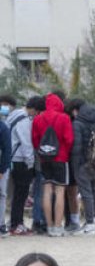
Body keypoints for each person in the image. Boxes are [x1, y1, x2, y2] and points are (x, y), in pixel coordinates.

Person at [30, 93, 74, 237]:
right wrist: (64, 152)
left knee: (47, 191)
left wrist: (42, 152)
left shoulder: (37, 119)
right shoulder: (64, 118)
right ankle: (57, 227)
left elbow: (35, 140)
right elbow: (69, 139)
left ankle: (48, 226)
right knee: (60, 191)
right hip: (61, 158)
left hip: (44, 159)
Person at [66, 98, 95, 235]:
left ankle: (89, 224)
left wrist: (75, 165)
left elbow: (76, 147)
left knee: (86, 194)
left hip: (82, 163)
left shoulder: (77, 124)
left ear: (75, 110)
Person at [4, 96, 36, 235]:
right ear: (33, 109)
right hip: (20, 160)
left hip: (13, 159)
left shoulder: (14, 115)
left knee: (16, 194)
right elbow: (26, 141)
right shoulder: (24, 119)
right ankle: (16, 224)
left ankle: (15, 223)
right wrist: (30, 162)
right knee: (21, 194)